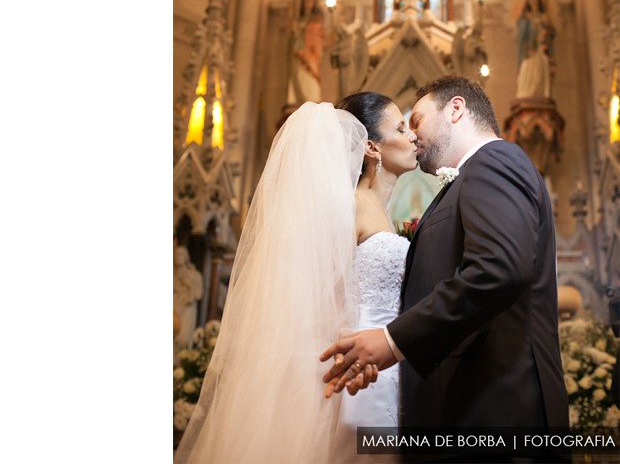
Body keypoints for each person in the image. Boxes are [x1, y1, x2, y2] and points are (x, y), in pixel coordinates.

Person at [321, 75, 570, 463]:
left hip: (497, 416)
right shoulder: (465, 181)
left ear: (456, 109)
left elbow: (497, 269)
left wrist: (391, 341)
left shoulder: (495, 161)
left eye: (416, 120)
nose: (413, 134)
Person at [174, 94, 418, 463]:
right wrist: (351, 348)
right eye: (401, 128)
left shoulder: (383, 211)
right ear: (371, 147)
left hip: (389, 365)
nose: (413, 135)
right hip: (355, 367)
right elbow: (313, 297)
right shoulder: (346, 207)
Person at [516, 0, 555, 99]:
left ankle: (540, 93)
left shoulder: (544, 16)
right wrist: (529, 23)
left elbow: (551, 33)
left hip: (541, 49)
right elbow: (521, 34)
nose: (533, 1)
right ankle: (526, 93)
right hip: (530, 50)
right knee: (527, 71)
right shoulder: (525, 17)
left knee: (541, 71)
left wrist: (547, 24)